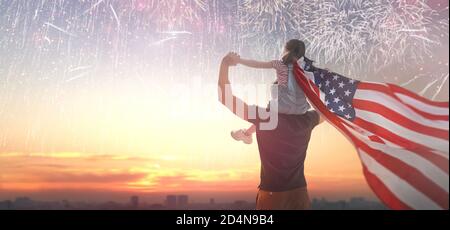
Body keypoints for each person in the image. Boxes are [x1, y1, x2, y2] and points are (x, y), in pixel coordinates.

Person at [218, 52, 324, 210]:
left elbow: (225, 98)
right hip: (299, 194)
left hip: (273, 195)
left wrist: (225, 64)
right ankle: (246, 134)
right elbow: (327, 112)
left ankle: (246, 134)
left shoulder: (265, 118)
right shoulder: (307, 120)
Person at [230, 39, 313, 144]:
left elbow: (257, 64)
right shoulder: (306, 68)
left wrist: (240, 61)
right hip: (301, 108)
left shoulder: (279, 64)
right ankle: (247, 133)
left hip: (283, 106)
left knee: (264, 115)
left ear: (286, 51)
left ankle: (246, 134)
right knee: (277, 86)